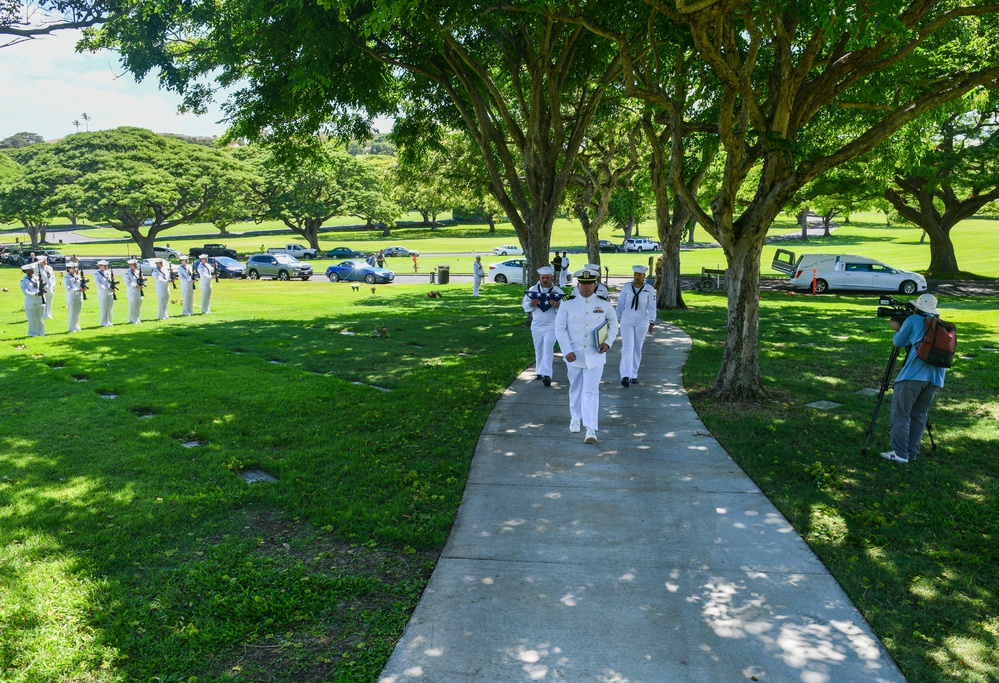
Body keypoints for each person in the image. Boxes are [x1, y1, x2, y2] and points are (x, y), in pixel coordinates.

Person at [882, 294, 948, 464]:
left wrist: (898, 328)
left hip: (913, 375)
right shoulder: (938, 323)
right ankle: (912, 452)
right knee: (919, 415)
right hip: (935, 377)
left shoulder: (913, 320)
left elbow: (898, 342)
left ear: (917, 307)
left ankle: (900, 453)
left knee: (901, 413)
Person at [555, 267, 618, 444]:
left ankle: (591, 429)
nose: (586, 287)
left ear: (595, 284)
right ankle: (575, 417)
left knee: (591, 391)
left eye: (590, 283)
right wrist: (566, 350)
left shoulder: (604, 303)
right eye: (583, 283)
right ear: (578, 284)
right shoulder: (567, 303)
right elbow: (559, 328)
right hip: (574, 354)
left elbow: (614, 324)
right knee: (575, 388)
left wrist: (609, 342)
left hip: (595, 354)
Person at [616, 265, 657, 387]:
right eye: (635, 274)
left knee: (637, 347)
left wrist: (652, 321)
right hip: (627, 320)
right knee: (627, 347)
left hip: (642, 321)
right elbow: (620, 304)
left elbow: (651, 307)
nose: (637, 277)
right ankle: (625, 375)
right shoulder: (627, 287)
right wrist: (614, 319)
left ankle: (634, 374)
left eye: (640, 275)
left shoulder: (649, 289)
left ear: (644, 276)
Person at [522, 266, 563, 386]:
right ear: (539, 277)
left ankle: (547, 374)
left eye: (547, 278)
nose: (545, 280)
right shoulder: (533, 289)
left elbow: (564, 309)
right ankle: (539, 371)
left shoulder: (557, 291)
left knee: (548, 348)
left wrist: (557, 306)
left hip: (551, 324)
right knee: (539, 348)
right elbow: (524, 306)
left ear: (551, 278)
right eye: (543, 277)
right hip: (537, 324)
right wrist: (531, 303)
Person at [20, 263, 45, 337]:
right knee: (32, 319)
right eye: (30, 269)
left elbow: (43, 287)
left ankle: (41, 332)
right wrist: (36, 294)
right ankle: (32, 333)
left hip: (40, 301)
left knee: (40, 318)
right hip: (31, 302)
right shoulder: (24, 281)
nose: (32, 270)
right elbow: (26, 292)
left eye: (33, 269)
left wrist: (43, 284)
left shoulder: (37, 278)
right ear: (26, 271)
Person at [64, 261, 84, 332]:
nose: (74, 269)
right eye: (72, 268)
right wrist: (78, 290)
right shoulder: (67, 278)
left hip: (79, 296)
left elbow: (80, 284)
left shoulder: (77, 276)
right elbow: (68, 289)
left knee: (77, 312)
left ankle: (76, 325)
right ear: (68, 269)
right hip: (72, 297)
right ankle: (71, 327)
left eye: (75, 268)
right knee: (72, 312)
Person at [93, 260, 115, 327]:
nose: (106, 267)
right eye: (104, 266)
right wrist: (108, 289)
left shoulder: (108, 273)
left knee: (109, 308)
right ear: (100, 266)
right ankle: (103, 322)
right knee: (103, 308)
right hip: (103, 293)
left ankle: (109, 321)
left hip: (110, 293)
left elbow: (110, 282)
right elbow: (99, 284)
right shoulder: (97, 274)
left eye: (106, 265)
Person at [123, 259, 144, 324]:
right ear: (130, 265)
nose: (136, 265)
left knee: (138, 307)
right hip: (132, 292)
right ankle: (132, 320)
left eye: (136, 264)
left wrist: (142, 282)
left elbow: (143, 280)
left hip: (139, 292)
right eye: (134, 264)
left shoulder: (138, 272)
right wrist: (136, 286)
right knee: (133, 307)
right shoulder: (127, 274)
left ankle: (137, 318)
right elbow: (128, 283)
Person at [37, 255, 56, 319]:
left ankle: (49, 314)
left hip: (50, 286)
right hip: (43, 287)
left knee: (50, 301)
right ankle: (43, 314)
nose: (45, 261)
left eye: (46, 260)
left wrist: (53, 286)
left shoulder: (49, 268)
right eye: (43, 260)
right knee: (43, 301)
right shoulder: (37, 268)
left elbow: (52, 277)